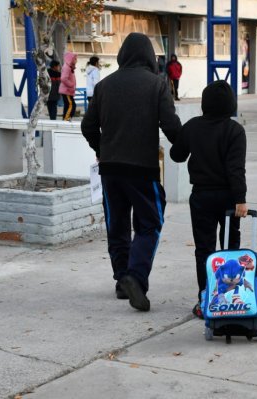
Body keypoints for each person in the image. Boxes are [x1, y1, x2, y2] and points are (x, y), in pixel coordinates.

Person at [81, 33, 182, 312]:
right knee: (150, 222)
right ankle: (136, 277)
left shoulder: (104, 86)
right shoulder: (157, 84)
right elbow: (170, 125)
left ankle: (121, 280)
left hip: (110, 170)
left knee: (118, 224)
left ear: (123, 55)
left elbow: (88, 126)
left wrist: (101, 148)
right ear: (149, 56)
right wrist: (189, 146)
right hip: (142, 169)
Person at [169, 80, 247, 319]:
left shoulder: (193, 126)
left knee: (204, 248)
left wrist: (186, 138)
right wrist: (240, 200)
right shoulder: (235, 131)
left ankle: (206, 298)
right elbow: (236, 169)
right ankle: (233, 299)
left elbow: (177, 155)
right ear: (230, 105)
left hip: (201, 195)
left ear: (204, 103)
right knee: (231, 247)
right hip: (228, 199)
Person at [59, 51, 77, 121]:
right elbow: (63, 78)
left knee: (68, 105)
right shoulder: (67, 67)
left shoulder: (70, 67)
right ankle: (66, 119)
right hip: (67, 90)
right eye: (75, 59)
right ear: (71, 59)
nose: (76, 61)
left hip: (68, 90)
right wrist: (71, 85)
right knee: (71, 105)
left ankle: (66, 118)